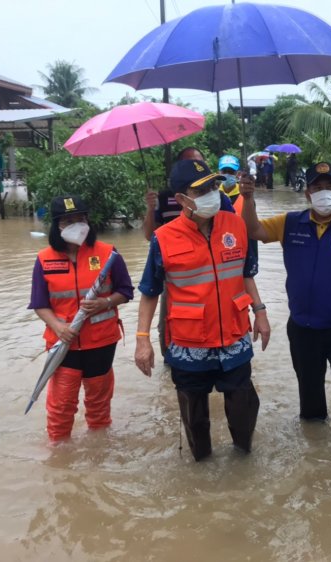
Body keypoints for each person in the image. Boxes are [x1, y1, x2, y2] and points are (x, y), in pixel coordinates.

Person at [134, 159, 271, 461]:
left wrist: (260, 312)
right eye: (201, 190)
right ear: (181, 199)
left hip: (234, 337)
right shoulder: (164, 238)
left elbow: (246, 273)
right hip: (188, 342)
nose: (211, 193)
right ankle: (202, 467)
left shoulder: (235, 224)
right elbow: (149, 292)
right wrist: (143, 339)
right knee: (194, 419)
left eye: (212, 186)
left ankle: (243, 463)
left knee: (243, 409)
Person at [241, 162, 331, 436]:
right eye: (317, 188)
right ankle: (315, 444)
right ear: (307, 193)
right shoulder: (289, 223)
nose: (324, 193)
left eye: (330, 187)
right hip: (303, 328)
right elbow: (253, 230)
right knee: (309, 395)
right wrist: (248, 200)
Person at [29, 195, 134, 442]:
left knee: (99, 403)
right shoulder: (44, 259)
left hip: (101, 341)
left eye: (80, 218)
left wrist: (104, 303)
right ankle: (58, 457)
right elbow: (39, 304)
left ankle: (98, 448)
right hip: (64, 344)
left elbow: (126, 291)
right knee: (61, 405)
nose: (76, 224)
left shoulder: (109, 254)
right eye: (68, 221)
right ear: (57, 226)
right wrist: (57, 326)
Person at [143, 146, 235, 358]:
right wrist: (149, 209)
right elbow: (150, 235)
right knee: (172, 318)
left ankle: (224, 350)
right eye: (189, 162)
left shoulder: (219, 199)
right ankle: (172, 358)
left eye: (200, 162)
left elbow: (235, 230)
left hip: (214, 265)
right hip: (177, 269)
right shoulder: (163, 198)